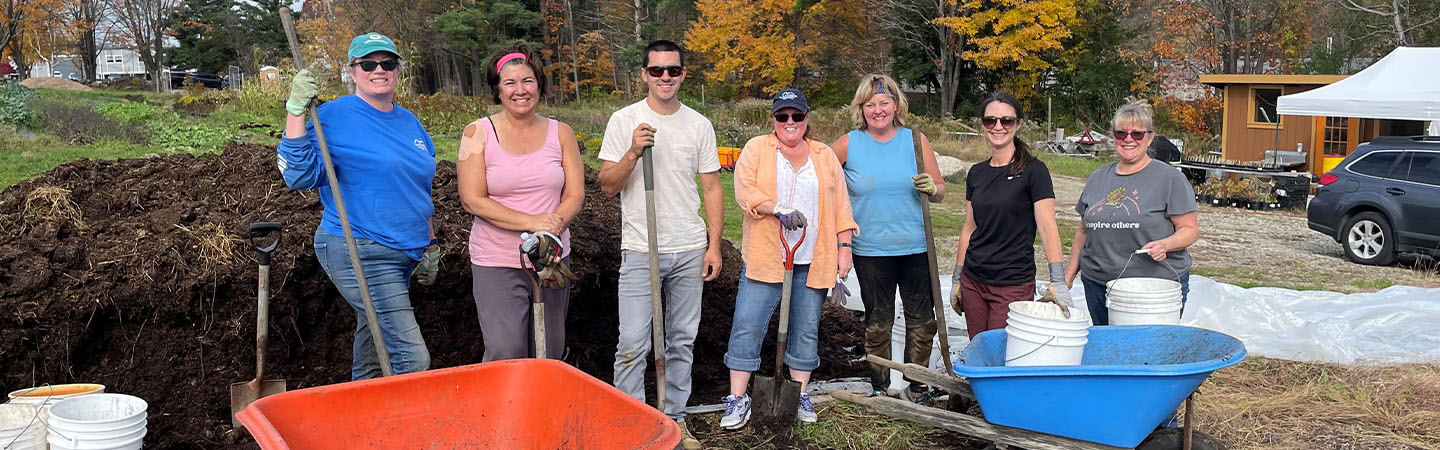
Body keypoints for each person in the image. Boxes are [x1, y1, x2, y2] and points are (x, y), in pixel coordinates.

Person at [277, 32, 440, 380]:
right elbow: (299, 174)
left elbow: (416, 188)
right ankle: (404, 431)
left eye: (388, 63)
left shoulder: (410, 122)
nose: (378, 70)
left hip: (406, 251)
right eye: (368, 64)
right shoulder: (332, 116)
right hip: (360, 248)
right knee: (412, 359)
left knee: (372, 345)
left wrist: (430, 242)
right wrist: (295, 112)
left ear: (398, 70)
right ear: (352, 71)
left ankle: (360, 417)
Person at [596, 39, 722, 450]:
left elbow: (712, 187)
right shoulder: (624, 120)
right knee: (633, 341)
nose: (664, 77)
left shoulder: (699, 124)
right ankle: (630, 421)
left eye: (672, 70)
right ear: (644, 74)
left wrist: (714, 244)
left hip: (688, 247)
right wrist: (633, 150)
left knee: (682, 339)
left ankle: (674, 420)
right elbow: (607, 186)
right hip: (640, 247)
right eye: (656, 71)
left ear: (683, 73)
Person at [721, 88, 858, 429]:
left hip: (813, 258)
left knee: (806, 330)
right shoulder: (756, 149)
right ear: (774, 119)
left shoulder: (824, 156)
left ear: (807, 118)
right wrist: (776, 208)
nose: (790, 122)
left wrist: (845, 247)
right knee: (747, 325)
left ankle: (798, 394)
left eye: (797, 116)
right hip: (767, 256)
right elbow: (745, 190)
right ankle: (737, 398)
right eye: (783, 116)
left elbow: (841, 204)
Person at [456, 44, 584, 361]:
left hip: (551, 258)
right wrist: (533, 223)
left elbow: (575, 194)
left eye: (528, 80)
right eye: (510, 82)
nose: (520, 90)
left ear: (539, 85)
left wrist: (552, 228)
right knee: (506, 350)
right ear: (497, 90)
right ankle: (503, 410)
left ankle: (542, 411)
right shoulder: (477, 133)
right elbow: (472, 200)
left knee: (549, 351)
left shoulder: (562, 133)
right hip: (497, 260)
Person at [828, 74, 945, 401]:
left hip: (916, 248)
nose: (877, 110)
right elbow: (820, 176)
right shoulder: (850, 143)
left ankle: (917, 384)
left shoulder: (916, 140)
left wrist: (933, 189)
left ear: (896, 105)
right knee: (878, 321)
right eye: (870, 105)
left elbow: (941, 190)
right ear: (861, 109)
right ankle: (879, 387)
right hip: (871, 250)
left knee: (922, 322)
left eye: (884, 102)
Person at [950, 92, 1072, 338]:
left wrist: (1058, 280)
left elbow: (1048, 228)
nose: (998, 127)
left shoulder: (1034, 172)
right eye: (990, 121)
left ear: (1016, 124)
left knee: (1000, 352)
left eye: (1006, 121)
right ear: (983, 124)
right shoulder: (977, 173)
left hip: (1012, 283)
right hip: (974, 280)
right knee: (977, 348)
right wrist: (957, 278)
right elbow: (969, 228)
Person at [1067, 99, 1199, 324]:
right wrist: (1069, 274)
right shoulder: (1098, 178)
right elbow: (1083, 232)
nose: (1128, 139)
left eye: (1137, 134)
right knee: (1109, 350)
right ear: (1113, 138)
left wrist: (1165, 245)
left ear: (1149, 138)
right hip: (1098, 284)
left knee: (1148, 354)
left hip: (1152, 289)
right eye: (1121, 134)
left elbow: (1189, 229)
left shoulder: (1170, 178)